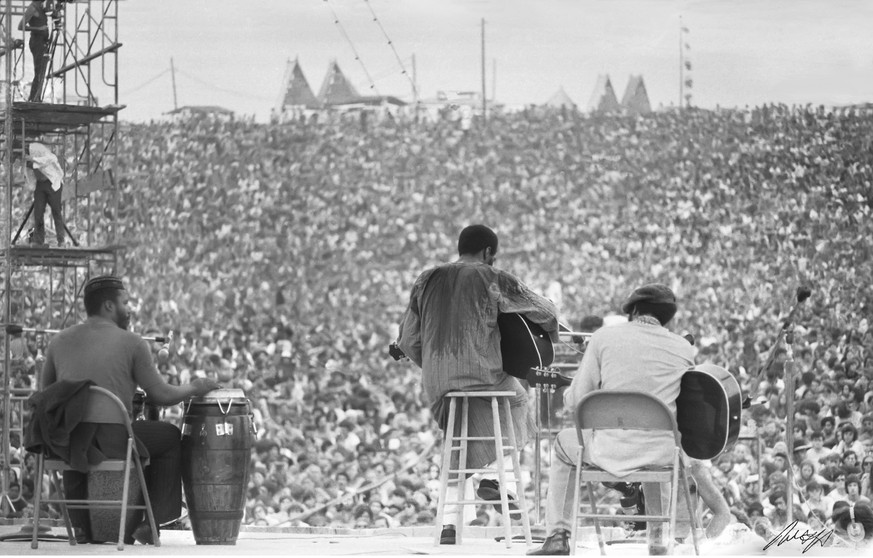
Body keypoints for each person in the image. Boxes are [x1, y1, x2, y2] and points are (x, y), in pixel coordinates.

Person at [528, 283, 732, 555]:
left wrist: (573, 395)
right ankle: (658, 539)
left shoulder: (603, 337)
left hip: (609, 450)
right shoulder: (684, 348)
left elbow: (577, 401)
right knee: (659, 442)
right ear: (668, 317)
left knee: (564, 444)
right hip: (663, 454)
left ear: (634, 310)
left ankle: (558, 535)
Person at [396, 224, 558, 545]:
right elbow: (546, 310)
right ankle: (495, 478)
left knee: (458, 436)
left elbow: (408, 341)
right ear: (488, 253)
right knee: (520, 401)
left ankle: (449, 524)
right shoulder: (492, 277)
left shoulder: (425, 279)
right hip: (482, 377)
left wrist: (438, 367)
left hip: (438, 384)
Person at [40, 275, 220, 544]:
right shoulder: (133, 343)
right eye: (126, 302)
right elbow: (160, 395)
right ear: (109, 306)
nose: (131, 308)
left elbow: (46, 397)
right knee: (168, 437)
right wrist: (194, 386)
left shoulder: (57, 342)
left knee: (90, 433)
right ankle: (150, 522)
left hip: (66, 444)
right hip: (113, 442)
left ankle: (80, 526)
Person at [23, 141, 66, 247]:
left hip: (53, 182)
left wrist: (33, 159)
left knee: (56, 211)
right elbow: (30, 175)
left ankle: (61, 240)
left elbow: (52, 158)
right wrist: (32, 187)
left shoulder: (37, 148)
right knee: (38, 212)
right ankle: (38, 240)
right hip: (40, 185)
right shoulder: (24, 160)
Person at [17, 0, 51, 102]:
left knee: (41, 70)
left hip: (43, 41)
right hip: (37, 42)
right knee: (39, 71)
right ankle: (34, 98)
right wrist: (39, 29)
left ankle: (36, 97)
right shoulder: (33, 8)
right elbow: (20, 26)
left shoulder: (41, 7)